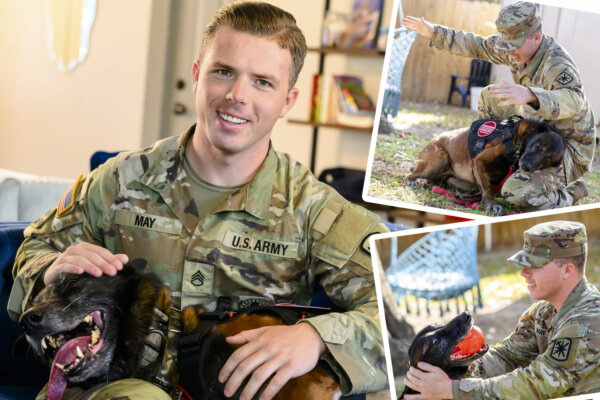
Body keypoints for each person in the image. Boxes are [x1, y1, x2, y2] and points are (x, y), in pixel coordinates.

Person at [7, 1, 388, 399]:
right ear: (196, 76)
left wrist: (317, 338)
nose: (237, 96)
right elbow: (36, 245)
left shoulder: (312, 211)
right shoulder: (120, 181)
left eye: (262, 82)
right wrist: (49, 268)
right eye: (223, 72)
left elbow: (409, 309)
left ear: (287, 102)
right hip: (112, 387)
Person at [402, 1, 596, 212]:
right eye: (506, 45)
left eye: (514, 46)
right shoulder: (516, 47)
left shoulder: (556, 64)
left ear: (537, 38)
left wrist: (530, 94)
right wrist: (434, 32)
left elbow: (575, 100)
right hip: (538, 130)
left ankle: (571, 193)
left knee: (515, 193)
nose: (509, 52)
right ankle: (485, 164)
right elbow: (478, 45)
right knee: (490, 96)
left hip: (565, 148)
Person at [404, 221, 600, 399]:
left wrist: (453, 390)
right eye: (524, 264)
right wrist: (441, 369)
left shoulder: (589, 320)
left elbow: (538, 383)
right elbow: (508, 357)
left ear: (567, 270)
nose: (524, 272)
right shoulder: (543, 311)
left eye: (535, 265)